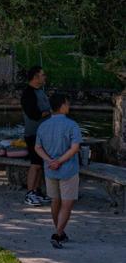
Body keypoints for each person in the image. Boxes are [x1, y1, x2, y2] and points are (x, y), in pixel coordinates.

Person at [35, 92, 82, 249]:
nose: (69, 106)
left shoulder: (43, 125)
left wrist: (50, 161)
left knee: (55, 201)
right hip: (68, 169)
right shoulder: (72, 125)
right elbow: (75, 148)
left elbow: (37, 147)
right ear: (62, 106)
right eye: (68, 103)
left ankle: (60, 232)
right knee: (67, 204)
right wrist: (60, 161)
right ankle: (57, 234)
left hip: (50, 170)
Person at [20, 66, 52, 206]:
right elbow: (33, 114)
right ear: (35, 77)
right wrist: (50, 111)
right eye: (42, 75)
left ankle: (37, 191)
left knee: (41, 164)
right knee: (35, 164)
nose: (45, 77)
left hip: (43, 134)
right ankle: (29, 193)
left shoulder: (40, 91)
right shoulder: (28, 94)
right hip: (33, 134)